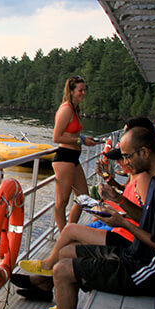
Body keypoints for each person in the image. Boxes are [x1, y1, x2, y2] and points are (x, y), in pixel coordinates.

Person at [29, 127, 155, 309]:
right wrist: (119, 200)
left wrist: (122, 222)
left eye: (127, 156)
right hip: (136, 256)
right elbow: (147, 218)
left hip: (146, 271)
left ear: (144, 152)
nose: (125, 162)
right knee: (66, 252)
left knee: (62, 269)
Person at [17, 147, 150, 309]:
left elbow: (144, 217)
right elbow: (131, 205)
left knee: (71, 231)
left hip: (126, 238)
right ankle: (50, 288)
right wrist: (108, 201)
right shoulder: (135, 178)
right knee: (66, 249)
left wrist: (116, 208)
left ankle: (46, 269)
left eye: (123, 158)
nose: (119, 163)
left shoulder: (143, 179)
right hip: (120, 231)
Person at [51, 75, 97, 232]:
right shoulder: (66, 110)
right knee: (62, 201)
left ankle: (70, 229)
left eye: (84, 90)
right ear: (71, 91)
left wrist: (83, 138)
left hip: (74, 159)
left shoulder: (75, 109)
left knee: (84, 197)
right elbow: (57, 137)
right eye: (80, 90)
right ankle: (64, 235)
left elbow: (72, 134)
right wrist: (81, 140)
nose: (83, 93)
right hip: (64, 158)